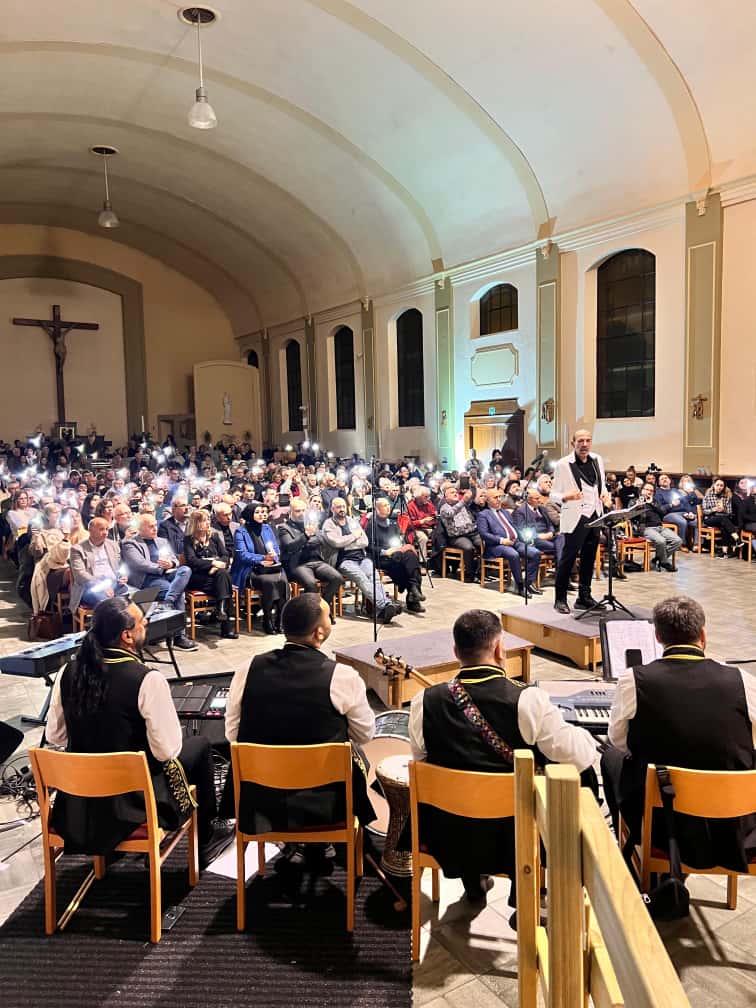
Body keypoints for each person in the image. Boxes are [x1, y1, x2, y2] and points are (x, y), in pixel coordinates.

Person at [409, 609, 597, 910]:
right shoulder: (527, 700)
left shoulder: (424, 702)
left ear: (456, 652)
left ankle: (473, 880)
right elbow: (581, 757)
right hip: (514, 836)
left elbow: (422, 761)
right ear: (500, 648)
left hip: (450, 834)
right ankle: (531, 881)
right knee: (578, 777)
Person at [46, 597, 232, 867]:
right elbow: (167, 751)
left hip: (80, 802)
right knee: (200, 745)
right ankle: (205, 840)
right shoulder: (146, 679)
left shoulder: (68, 671)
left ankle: (111, 849)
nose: (146, 624)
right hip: (130, 803)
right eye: (142, 621)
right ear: (127, 636)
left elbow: (56, 737)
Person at [601, 596, 756, 871]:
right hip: (733, 824)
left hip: (662, 821)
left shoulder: (633, 680)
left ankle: (632, 840)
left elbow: (619, 742)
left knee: (610, 756)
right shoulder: (742, 681)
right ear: (703, 635)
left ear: (658, 637)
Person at [225, 594, 375, 872]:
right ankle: (322, 841)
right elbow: (365, 734)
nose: (331, 621)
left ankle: (289, 840)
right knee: (359, 759)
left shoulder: (248, 669)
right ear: (319, 632)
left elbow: (233, 734)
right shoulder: (342, 677)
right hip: (324, 801)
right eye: (329, 616)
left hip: (262, 797)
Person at [551, 429, 612, 614]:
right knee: (568, 558)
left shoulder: (597, 460)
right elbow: (552, 495)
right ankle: (560, 598)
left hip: (595, 514)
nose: (584, 444)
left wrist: (606, 496)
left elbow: (600, 486)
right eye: (580, 441)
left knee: (589, 558)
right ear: (573, 443)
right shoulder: (563, 464)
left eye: (588, 440)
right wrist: (565, 496)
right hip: (575, 516)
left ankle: (584, 597)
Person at [122, 514, 197, 650]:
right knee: (178, 593)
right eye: (151, 526)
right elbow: (139, 564)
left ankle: (168, 602)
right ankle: (179, 636)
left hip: (168, 574)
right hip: (148, 578)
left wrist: (171, 564)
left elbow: (174, 559)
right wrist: (161, 568)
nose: (155, 528)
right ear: (140, 528)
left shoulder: (162, 541)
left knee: (185, 570)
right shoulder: (131, 543)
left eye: (155, 525)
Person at [321, 497, 400, 623]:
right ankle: (385, 605)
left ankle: (383, 609)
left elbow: (364, 541)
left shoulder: (352, 521)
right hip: (344, 560)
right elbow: (336, 542)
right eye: (338, 507)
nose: (342, 509)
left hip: (362, 557)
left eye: (343, 506)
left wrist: (346, 541)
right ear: (332, 509)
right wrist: (353, 537)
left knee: (374, 576)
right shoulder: (328, 524)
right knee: (361, 578)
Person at [278, 497, 344, 618]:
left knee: (337, 578)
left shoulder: (311, 524)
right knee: (311, 584)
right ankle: (310, 615)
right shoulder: (284, 528)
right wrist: (306, 535)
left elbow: (320, 540)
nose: (302, 513)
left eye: (304, 510)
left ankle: (322, 609)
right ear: (290, 512)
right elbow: (290, 547)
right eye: (298, 511)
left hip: (316, 561)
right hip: (298, 564)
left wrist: (303, 541)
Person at [231, 503, 289, 634]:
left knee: (283, 581)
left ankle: (280, 619)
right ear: (249, 514)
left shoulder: (267, 528)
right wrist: (263, 558)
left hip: (269, 566)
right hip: (250, 569)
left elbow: (276, 548)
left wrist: (273, 557)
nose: (262, 514)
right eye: (258, 512)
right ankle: (267, 619)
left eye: (263, 511)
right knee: (268, 582)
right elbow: (242, 555)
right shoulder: (240, 531)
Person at [184, 508, 239, 639]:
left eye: (208, 519)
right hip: (199, 578)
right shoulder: (188, 540)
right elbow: (192, 561)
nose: (207, 523)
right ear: (195, 523)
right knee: (225, 580)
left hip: (216, 576)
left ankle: (221, 609)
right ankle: (225, 625)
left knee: (222, 576)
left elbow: (225, 555)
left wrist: (217, 566)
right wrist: (213, 564)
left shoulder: (213, 536)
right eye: (204, 521)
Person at [366, 497, 425, 613]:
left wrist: (399, 546)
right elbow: (368, 546)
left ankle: (413, 590)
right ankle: (413, 595)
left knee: (410, 556)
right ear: (377, 509)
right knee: (407, 564)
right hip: (382, 557)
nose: (388, 508)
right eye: (384, 506)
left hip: (397, 553)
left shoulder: (393, 523)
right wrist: (385, 551)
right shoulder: (371, 525)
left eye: (388, 505)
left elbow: (400, 539)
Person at [477, 489, 540, 596]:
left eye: (499, 497)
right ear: (487, 500)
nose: (498, 499)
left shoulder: (505, 512)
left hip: (514, 542)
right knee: (513, 554)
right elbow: (484, 534)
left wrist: (525, 539)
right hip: (496, 546)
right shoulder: (483, 514)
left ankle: (528, 583)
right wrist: (502, 540)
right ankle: (520, 586)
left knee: (535, 553)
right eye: (495, 497)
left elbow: (514, 528)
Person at [69, 517, 130, 611]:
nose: (105, 532)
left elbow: (119, 565)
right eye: (101, 529)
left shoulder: (113, 545)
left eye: (107, 529)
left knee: (133, 597)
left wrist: (123, 575)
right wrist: (102, 586)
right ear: (90, 530)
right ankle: (110, 625)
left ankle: (126, 624)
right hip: (91, 586)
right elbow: (80, 574)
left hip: (114, 583)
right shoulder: (77, 549)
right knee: (109, 604)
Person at [438, 485, 482, 583]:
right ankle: (471, 574)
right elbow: (450, 513)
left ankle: (480, 571)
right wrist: (463, 501)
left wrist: (472, 490)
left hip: (472, 532)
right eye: (452, 492)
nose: (455, 493)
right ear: (446, 497)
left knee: (484, 544)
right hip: (457, 536)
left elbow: (474, 504)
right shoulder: (444, 508)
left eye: (456, 492)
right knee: (468, 548)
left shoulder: (463, 504)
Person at [635, 482, 682, 571]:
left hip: (660, 527)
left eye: (651, 490)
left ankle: (657, 559)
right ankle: (664, 562)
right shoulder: (635, 501)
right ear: (641, 490)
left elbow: (663, 512)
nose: (649, 492)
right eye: (647, 489)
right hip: (646, 528)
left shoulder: (655, 501)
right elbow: (631, 515)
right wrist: (637, 507)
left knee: (678, 541)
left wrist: (652, 503)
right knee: (661, 541)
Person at [653, 474, 698, 550]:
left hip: (683, 513)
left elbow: (685, 502)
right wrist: (671, 505)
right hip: (668, 514)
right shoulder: (658, 492)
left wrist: (690, 512)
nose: (664, 479)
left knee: (695, 521)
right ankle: (682, 544)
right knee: (682, 521)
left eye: (666, 478)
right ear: (659, 483)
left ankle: (696, 544)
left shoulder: (675, 490)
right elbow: (660, 508)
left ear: (670, 481)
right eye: (662, 479)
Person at [702, 477, 743, 557]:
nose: (719, 487)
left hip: (722, 518)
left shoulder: (726, 496)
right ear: (714, 485)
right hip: (710, 518)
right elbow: (704, 511)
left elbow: (730, 512)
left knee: (725, 525)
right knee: (724, 520)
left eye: (721, 485)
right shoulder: (708, 496)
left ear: (724, 487)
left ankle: (724, 552)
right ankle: (737, 539)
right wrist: (714, 509)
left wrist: (724, 510)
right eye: (717, 485)